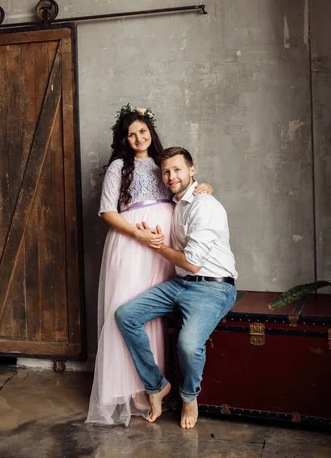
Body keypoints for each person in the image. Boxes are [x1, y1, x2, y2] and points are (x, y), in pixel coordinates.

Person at [86, 106, 212, 426]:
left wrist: (203, 188)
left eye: (143, 131)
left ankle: (152, 381)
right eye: (131, 134)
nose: (139, 138)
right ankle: (132, 389)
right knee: (126, 308)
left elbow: (183, 187)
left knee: (154, 312)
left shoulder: (163, 164)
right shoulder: (118, 166)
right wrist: (139, 234)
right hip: (132, 242)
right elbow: (107, 212)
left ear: (151, 132)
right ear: (124, 139)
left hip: (164, 243)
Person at [115, 146, 238, 429]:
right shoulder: (178, 203)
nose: (171, 176)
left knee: (187, 344)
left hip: (213, 288)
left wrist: (158, 248)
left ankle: (189, 395)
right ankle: (156, 386)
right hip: (180, 283)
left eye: (178, 170)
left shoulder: (204, 205)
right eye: (166, 172)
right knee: (126, 315)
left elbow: (194, 264)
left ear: (192, 170)